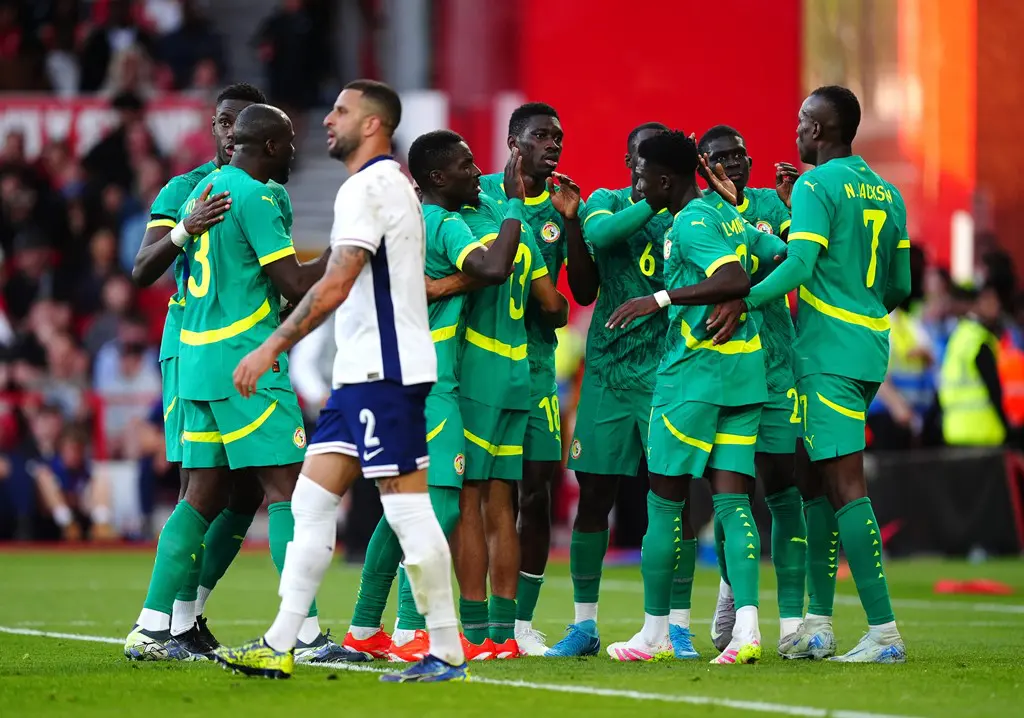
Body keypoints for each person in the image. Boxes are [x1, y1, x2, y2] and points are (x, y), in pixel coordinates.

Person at [215, 80, 467, 683]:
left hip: (384, 374)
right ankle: (282, 639)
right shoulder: (386, 186)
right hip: (360, 377)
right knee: (310, 500)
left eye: (341, 111)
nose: (327, 119)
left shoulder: (370, 185)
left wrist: (271, 345)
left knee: (408, 511)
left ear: (374, 125)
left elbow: (333, 282)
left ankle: (446, 649)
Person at [124, 101, 336, 663]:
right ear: (268, 144)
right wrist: (348, 251)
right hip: (245, 361)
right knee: (289, 490)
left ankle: (155, 626)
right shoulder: (257, 194)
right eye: (289, 141)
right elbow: (292, 283)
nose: (294, 150)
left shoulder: (206, 190)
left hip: (194, 361)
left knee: (203, 495)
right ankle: (308, 634)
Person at [713, 86, 911, 663]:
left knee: (845, 485)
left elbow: (798, 265)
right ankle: (819, 626)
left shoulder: (816, 186)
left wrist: (743, 300)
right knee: (817, 484)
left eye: (803, 121)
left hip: (827, 355)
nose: (796, 130)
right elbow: (898, 285)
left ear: (821, 130)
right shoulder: (888, 191)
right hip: (868, 348)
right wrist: (857, 299)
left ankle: (884, 633)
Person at [341, 129, 532, 662]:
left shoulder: (412, 221)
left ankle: (363, 627)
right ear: (436, 179)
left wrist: (445, 287)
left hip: (397, 378)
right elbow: (495, 268)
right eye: (467, 166)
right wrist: (514, 205)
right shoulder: (441, 223)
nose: (477, 173)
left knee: (400, 508)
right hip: (429, 385)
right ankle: (409, 628)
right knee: (437, 507)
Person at [604, 130, 784, 665]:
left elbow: (729, 275)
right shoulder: (730, 213)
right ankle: (748, 630)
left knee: (663, 505)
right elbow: (776, 252)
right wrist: (742, 298)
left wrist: (657, 298)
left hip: (693, 377)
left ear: (664, 180)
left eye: (642, 176)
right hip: (744, 374)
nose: (637, 184)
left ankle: (655, 634)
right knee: (733, 503)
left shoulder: (691, 220)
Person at [550, 122, 701, 660]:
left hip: (670, 369)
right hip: (610, 374)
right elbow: (604, 239)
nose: (644, 172)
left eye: (655, 165)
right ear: (627, 161)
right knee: (595, 496)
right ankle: (583, 625)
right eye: (639, 161)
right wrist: (655, 202)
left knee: (672, 499)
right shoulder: (603, 202)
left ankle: (675, 626)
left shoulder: (691, 212)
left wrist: (667, 201)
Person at [476, 102, 589, 654]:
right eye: (542, 136)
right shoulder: (474, 196)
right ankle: (467, 616)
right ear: (513, 142)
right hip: (476, 366)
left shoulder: (563, 208)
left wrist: (573, 224)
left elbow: (574, 298)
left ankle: (520, 622)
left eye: (559, 137)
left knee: (537, 494)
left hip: (538, 370)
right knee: (470, 493)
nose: (554, 145)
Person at [696, 125, 809, 654]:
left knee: (784, 491)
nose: (733, 162)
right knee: (731, 493)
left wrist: (794, 205)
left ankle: (791, 621)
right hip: (726, 369)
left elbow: (797, 256)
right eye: (720, 157)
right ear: (704, 165)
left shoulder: (770, 202)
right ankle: (731, 591)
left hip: (778, 369)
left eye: (740, 153)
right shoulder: (700, 212)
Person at [939, 283, 1009, 447]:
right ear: (977, 304)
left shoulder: (959, 335)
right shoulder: (978, 339)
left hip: (955, 432)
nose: (996, 306)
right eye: (990, 301)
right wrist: (1008, 429)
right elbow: (994, 389)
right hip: (983, 432)